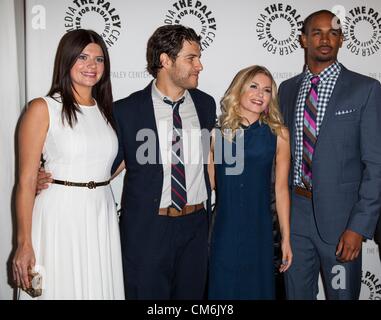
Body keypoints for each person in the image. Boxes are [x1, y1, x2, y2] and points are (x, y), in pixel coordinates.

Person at [12, 29, 125, 299]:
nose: (92, 66)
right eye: (83, 57)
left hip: (101, 212)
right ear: (67, 60)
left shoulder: (105, 110)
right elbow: (26, 181)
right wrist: (23, 243)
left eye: (99, 60)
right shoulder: (42, 108)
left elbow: (106, 166)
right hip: (60, 215)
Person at [278, 10, 381, 300]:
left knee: (341, 296)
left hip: (342, 223)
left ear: (342, 40)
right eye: (317, 32)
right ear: (303, 39)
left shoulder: (366, 89)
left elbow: (376, 164)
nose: (325, 39)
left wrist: (358, 227)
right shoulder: (287, 90)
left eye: (333, 33)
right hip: (295, 217)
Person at [112, 25, 215, 299]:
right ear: (165, 60)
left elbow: (211, 160)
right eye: (191, 58)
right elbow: (104, 167)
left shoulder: (206, 105)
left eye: (199, 57)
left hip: (195, 226)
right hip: (147, 229)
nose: (200, 65)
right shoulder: (126, 110)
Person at [207, 65, 292, 299]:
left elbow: (282, 190)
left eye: (266, 90)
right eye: (253, 86)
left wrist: (286, 238)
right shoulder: (217, 135)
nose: (260, 94)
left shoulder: (279, 135)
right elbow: (210, 184)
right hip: (224, 229)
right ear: (239, 90)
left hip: (261, 230)